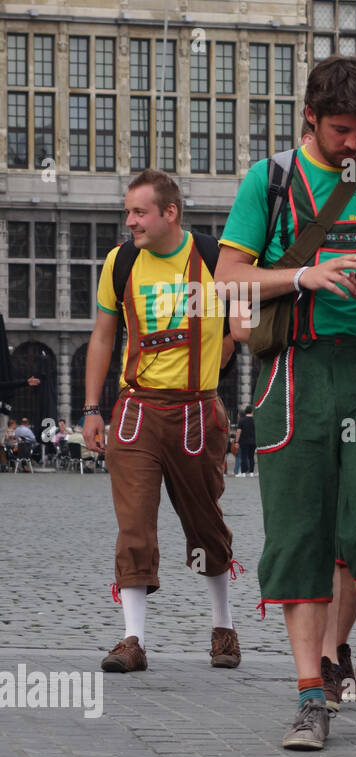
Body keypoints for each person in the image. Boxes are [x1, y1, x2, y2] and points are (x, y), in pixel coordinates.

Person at [216, 55, 356, 750]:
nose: (353, 144)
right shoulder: (269, 181)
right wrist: (303, 274)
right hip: (294, 375)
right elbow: (226, 284)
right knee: (300, 536)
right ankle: (311, 694)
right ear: (310, 117)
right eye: (341, 129)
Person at [82, 169, 241, 675]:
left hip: (198, 411)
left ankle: (223, 626)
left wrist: (219, 355)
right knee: (134, 525)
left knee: (204, 524)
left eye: (139, 213)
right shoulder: (121, 261)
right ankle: (132, 639)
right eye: (128, 212)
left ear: (169, 213)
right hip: (137, 412)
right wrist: (90, 409)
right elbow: (104, 335)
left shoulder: (218, 258)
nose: (130, 222)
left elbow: (248, 325)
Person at [235, 406, 256, 477]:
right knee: (251, 457)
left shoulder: (242, 420)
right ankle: (251, 472)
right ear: (252, 412)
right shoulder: (255, 420)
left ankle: (243, 473)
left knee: (244, 457)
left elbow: (238, 432)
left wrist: (236, 441)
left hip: (244, 441)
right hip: (253, 441)